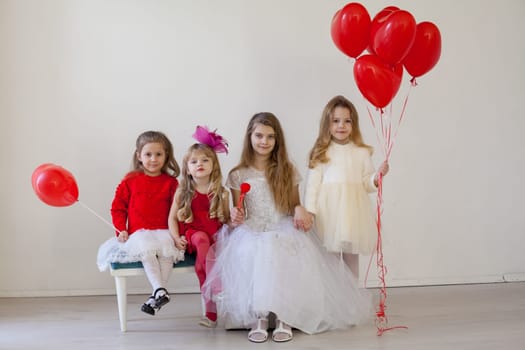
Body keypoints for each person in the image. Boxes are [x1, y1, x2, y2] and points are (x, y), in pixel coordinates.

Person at [202, 113, 371, 343]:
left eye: (270, 137)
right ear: (250, 136)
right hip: (252, 229)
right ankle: (259, 317)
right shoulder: (238, 174)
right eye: (259, 135)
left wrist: (300, 209)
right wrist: (235, 216)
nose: (264, 141)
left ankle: (286, 316)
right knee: (255, 252)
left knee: (282, 249)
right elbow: (238, 214)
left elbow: (293, 205)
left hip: (281, 225)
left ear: (277, 140)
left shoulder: (286, 170)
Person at [97, 130, 185, 316]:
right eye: (148, 154)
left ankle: (158, 292)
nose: (153, 159)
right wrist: (120, 229)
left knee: (167, 250)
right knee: (148, 249)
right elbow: (117, 208)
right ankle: (159, 290)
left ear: (166, 156)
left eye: (159, 154)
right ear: (139, 156)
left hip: (164, 230)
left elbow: (178, 212)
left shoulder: (171, 183)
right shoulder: (130, 181)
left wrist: (178, 235)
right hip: (139, 233)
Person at [304, 95, 389, 278]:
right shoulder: (321, 152)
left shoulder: (361, 152)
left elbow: (366, 181)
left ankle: (353, 299)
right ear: (327, 124)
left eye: (347, 121)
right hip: (328, 213)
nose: (341, 125)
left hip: (352, 212)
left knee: (351, 257)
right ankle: (334, 300)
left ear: (354, 124)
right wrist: (310, 211)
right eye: (335, 121)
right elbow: (313, 186)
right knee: (330, 259)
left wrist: (377, 177)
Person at [168, 126, 230, 328]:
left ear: (214, 165)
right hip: (195, 234)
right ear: (187, 168)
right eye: (194, 162)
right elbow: (172, 219)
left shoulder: (221, 192)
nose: (199, 164)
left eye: (205, 160)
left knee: (204, 261)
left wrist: (234, 220)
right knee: (203, 242)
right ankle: (217, 286)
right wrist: (177, 238)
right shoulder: (183, 191)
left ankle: (211, 315)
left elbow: (227, 220)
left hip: (216, 234)